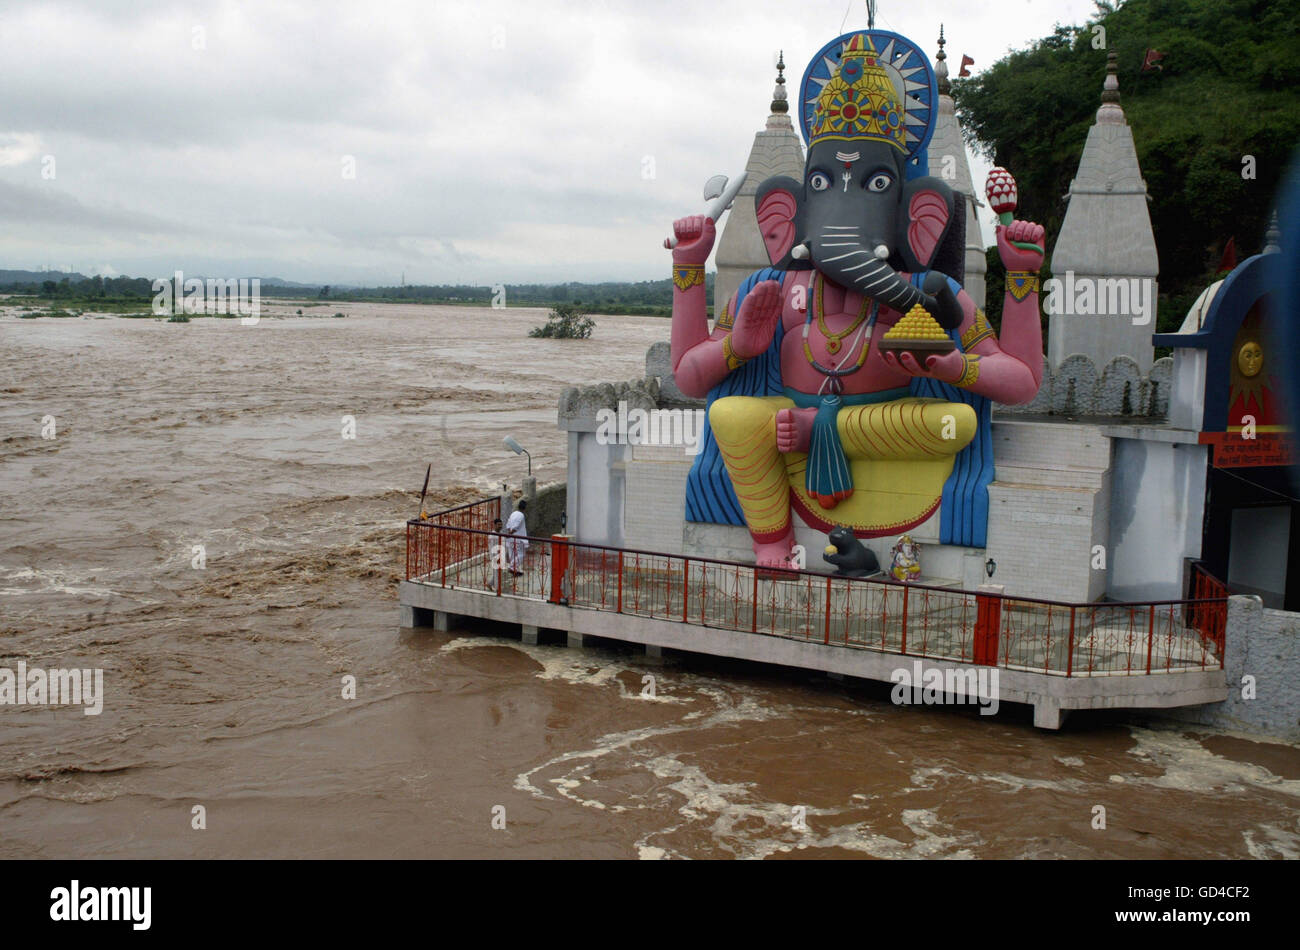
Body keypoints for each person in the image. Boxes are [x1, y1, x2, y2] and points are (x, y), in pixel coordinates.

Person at [504, 500, 528, 576]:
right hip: (518, 538)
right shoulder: (521, 515)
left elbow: (508, 525)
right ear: (525, 508)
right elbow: (516, 527)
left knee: (512, 554)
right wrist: (510, 534)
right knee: (521, 554)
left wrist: (509, 533)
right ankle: (512, 567)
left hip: (511, 538)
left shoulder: (513, 513)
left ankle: (514, 569)